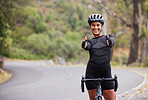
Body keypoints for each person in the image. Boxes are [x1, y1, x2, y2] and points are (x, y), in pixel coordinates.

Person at [81, 14, 116, 100]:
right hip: (91, 73)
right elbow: (88, 45)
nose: (95, 27)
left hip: (106, 72)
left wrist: (110, 42)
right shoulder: (90, 42)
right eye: (93, 25)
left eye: (98, 25)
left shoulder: (108, 37)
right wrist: (85, 45)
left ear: (102, 26)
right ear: (90, 26)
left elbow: (112, 41)